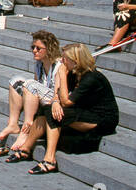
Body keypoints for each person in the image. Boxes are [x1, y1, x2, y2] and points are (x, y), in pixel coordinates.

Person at [30, 43, 119, 174]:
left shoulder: (92, 77)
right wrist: (55, 101)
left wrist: (61, 74)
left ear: (75, 61)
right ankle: (26, 148)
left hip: (102, 119)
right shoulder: (74, 73)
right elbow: (58, 95)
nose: (61, 61)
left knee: (53, 113)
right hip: (85, 112)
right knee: (47, 109)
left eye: (65, 58)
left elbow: (66, 102)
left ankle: (49, 159)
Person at [0, 32, 63, 159]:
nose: (34, 51)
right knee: (16, 81)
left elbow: (59, 92)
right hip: (42, 98)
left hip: (56, 101)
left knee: (30, 84)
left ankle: (26, 129)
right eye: (33, 47)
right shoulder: (39, 63)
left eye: (38, 48)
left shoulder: (58, 66)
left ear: (49, 48)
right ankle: (13, 124)